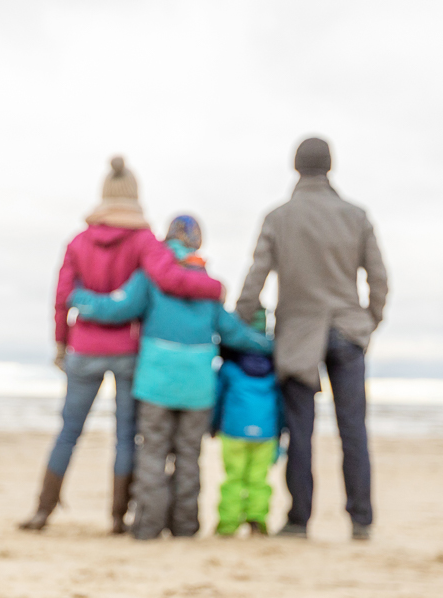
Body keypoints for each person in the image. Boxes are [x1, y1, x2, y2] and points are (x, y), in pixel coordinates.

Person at [19, 158, 225, 533]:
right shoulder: (145, 242)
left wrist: (61, 344)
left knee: (69, 430)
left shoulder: (78, 242)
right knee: (127, 434)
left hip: (83, 348)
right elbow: (170, 280)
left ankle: (42, 511)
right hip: (129, 353)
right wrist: (214, 289)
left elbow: (62, 297)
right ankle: (117, 517)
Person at [70, 215, 272, 541]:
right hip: (197, 388)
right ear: (198, 244)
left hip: (155, 384)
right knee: (189, 457)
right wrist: (270, 346)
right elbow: (235, 334)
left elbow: (115, 309)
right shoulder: (209, 285)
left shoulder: (150, 277)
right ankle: (184, 527)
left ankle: (148, 527)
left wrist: (80, 297)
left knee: (152, 453)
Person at [235, 137, 389, 541]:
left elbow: (256, 276)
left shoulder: (278, 217)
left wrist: (238, 322)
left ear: (296, 167)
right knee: (352, 429)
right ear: (330, 167)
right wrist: (368, 320)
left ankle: (300, 519)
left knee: (300, 431)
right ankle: (361, 520)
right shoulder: (356, 216)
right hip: (347, 331)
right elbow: (379, 277)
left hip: (298, 336)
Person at [211, 310, 285, 537]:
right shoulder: (276, 369)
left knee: (233, 478)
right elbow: (281, 406)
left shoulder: (230, 368)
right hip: (266, 433)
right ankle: (257, 520)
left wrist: (212, 426)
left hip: (233, 430)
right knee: (259, 480)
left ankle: (228, 524)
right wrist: (280, 432)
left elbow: (218, 399)